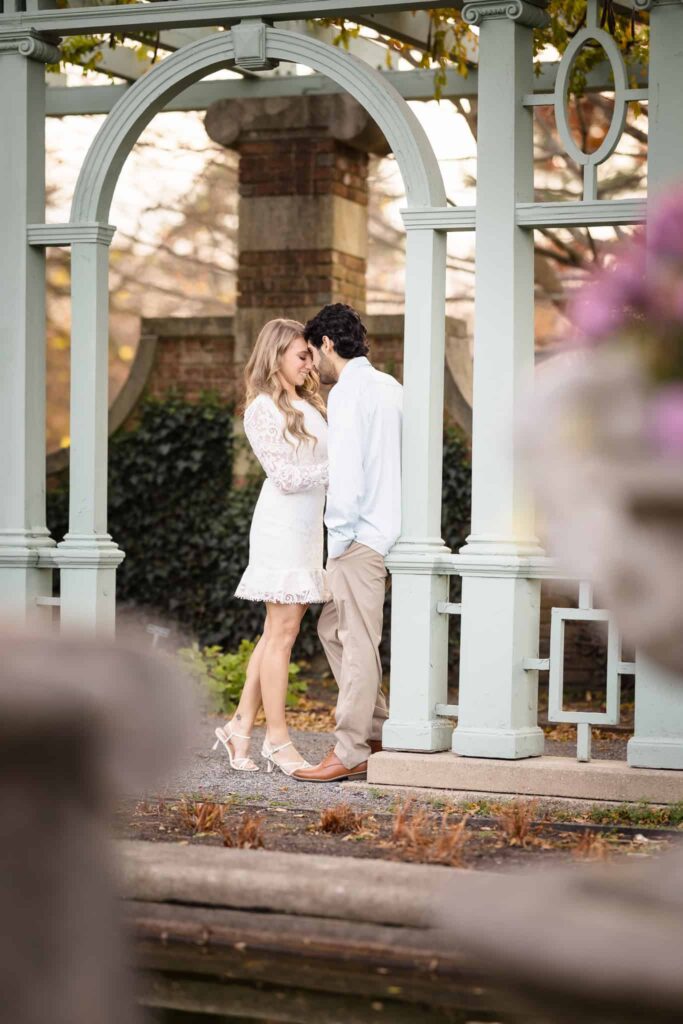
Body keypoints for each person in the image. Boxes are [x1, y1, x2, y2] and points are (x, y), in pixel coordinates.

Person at [212, 318, 329, 776]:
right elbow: (285, 477)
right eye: (302, 354)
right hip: (281, 527)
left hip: (308, 529)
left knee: (278, 632)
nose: (309, 362)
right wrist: (340, 471)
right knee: (281, 634)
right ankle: (277, 740)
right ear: (276, 354)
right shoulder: (261, 409)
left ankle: (240, 727)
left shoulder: (308, 402)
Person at [294, 303, 403, 783]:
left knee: (356, 643)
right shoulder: (392, 388)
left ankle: (350, 749)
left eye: (312, 352)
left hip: (358, 537)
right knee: (332, 629)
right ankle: (375, 729)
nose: (312, 365)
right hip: (390, 532)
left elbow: (347, 477)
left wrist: (336, 542)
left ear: (327, 345)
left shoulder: (347, 395)